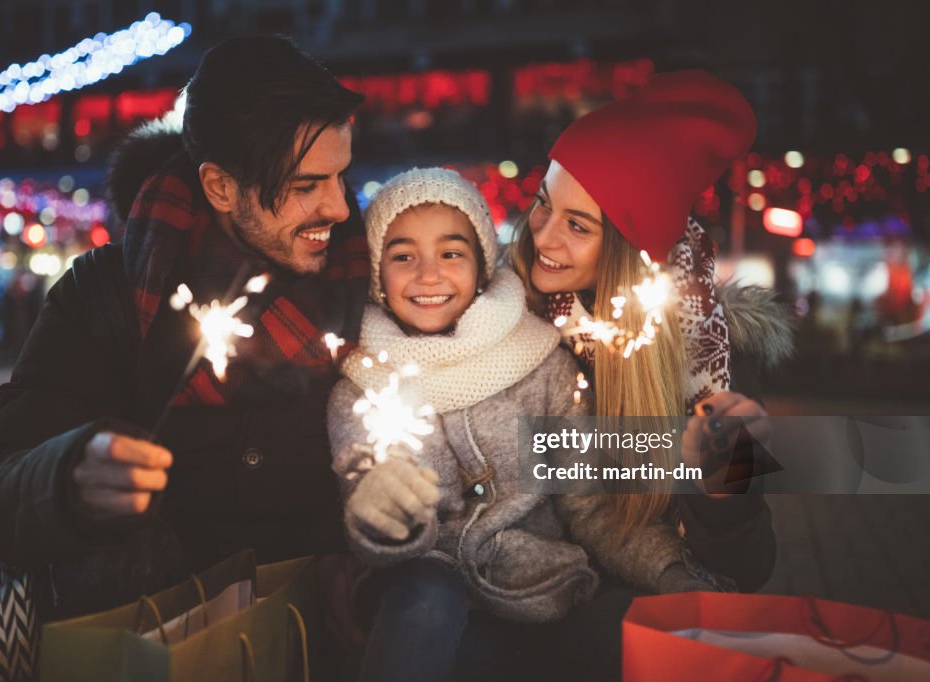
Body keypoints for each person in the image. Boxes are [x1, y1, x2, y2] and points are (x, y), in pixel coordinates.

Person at [0, 35, 370, 618]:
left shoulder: (378, 284)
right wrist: (69, 477)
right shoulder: (107, 295)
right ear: (220, 186)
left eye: (339, 177)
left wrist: (369, 562)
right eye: (306, 186)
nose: (339, 208)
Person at [328, 168, 722, 682]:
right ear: (379, 275)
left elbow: (590, 508)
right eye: (403, 256)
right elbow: (367, 492)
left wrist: (673, 574)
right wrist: (383, 513)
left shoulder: (543, 367)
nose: (428, 275)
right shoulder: (362, 388)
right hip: (422, 604)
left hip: (537, 601)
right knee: (427, 593)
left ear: (482, 265)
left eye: (451, 253)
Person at [509, 70, 793, 610]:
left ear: (627, 249)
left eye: (578, 226)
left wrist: (724, 487)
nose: (542, 235)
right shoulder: (501, 317)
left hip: (636, 616)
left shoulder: (714, 361)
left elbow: (748, 568)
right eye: (544, 202)